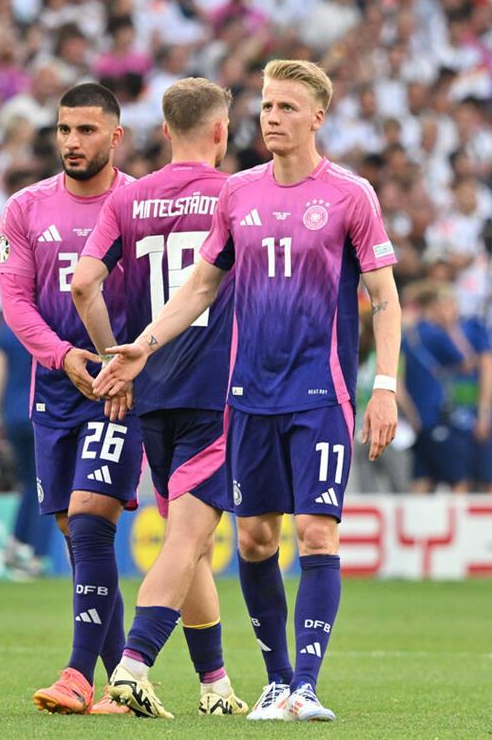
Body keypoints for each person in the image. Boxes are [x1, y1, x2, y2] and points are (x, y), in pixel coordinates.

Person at [94, 60, 402, 723]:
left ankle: (309, 688)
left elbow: (384, 298)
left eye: (286, 107)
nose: (270, 117)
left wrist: (384, 386)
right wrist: (144, 346)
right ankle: (277, 682)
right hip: (248, 398)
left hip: (321, 395)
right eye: (265, 106)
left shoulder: (351, 195)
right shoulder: (237, 194)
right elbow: (202, 286)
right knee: (257, 541)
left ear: (316, 117)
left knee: (317, 532)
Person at [70, 77, 247, 718]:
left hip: (154, 387)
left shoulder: (129, 198)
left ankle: (215, 686)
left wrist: (119, 359)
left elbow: (84, 284)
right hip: (218, 388)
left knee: (188, 537)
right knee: (187, 538)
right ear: (222, 132)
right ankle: (134, 665)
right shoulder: (239, 194)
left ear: (166, 131)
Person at [0, 83, 139, 716]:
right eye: (63, 130)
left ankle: (80, 675)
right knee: (74, 533)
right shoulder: (26, 208)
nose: (72, 142)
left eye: (86, 130)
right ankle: (124, 685)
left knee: (89, 521)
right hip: (54, 389)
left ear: (115, 136)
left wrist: (121, 365)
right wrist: (60, 356)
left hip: (115, 390)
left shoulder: (139, 204)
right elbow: (15, 301)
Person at [404, 282, 492, 492]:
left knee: (484, 476)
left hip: (471, 411)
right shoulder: (427, 334)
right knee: (449, 476)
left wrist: (484, 411)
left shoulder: (472, 328)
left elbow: (478, 366)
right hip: (445, 416)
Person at [0, 318, 53, 577]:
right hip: (45, 412)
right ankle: (36, 556)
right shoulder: (48, 324)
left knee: (28, 481)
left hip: (14, 415)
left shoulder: (7, 328)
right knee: (49, 484)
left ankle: (16, 542)